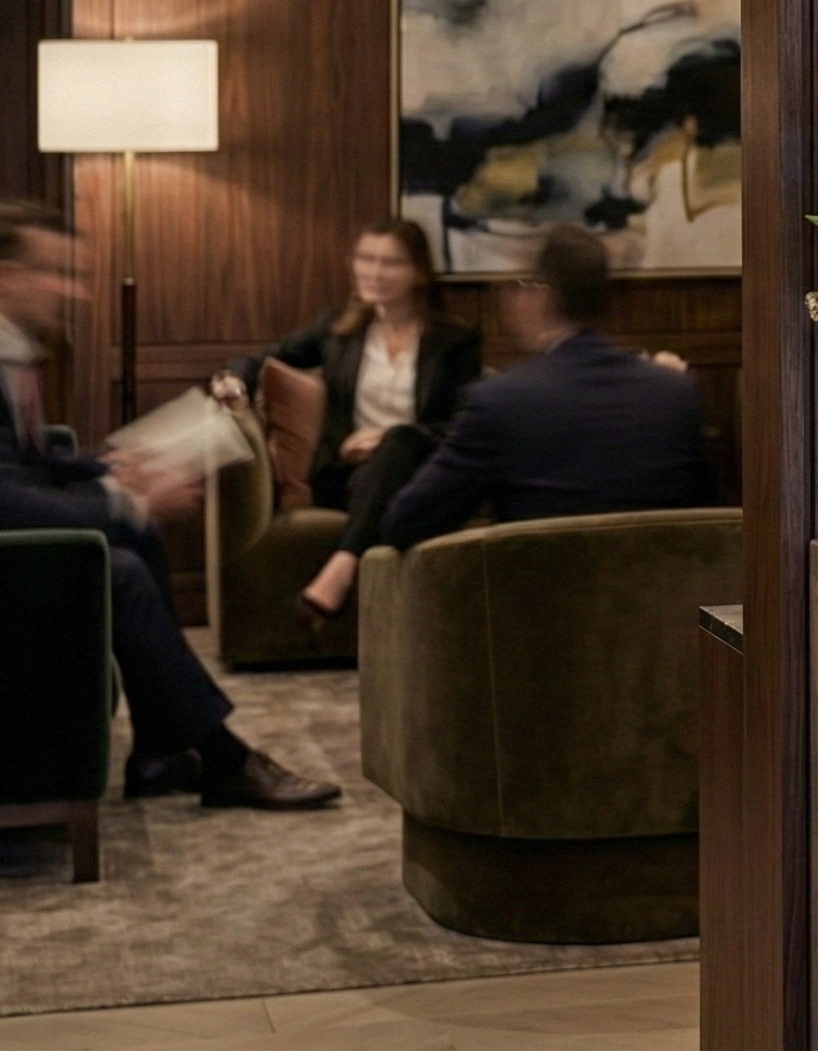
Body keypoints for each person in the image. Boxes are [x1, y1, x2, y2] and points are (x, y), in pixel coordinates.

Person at [0, 203, 339, 809]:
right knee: (122, 568)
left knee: (138, 535)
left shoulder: (11, 349)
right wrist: (122, 498)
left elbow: (26, 465)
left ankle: (160, 751)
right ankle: (223, 757)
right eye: (54, 272)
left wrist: (104, 468)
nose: (71, 290)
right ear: (6, 274)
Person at [379, 226, 716, 549]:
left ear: (542, 297)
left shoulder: (499, 401)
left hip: (541, 603)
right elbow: (714, 520)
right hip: (659, 602)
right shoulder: (675, 394)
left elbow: (406, 522)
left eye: (518, 285)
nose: (509, 300)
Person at [211, 218, 481, 620]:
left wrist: (390, 435)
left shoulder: (454, 341)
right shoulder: (338, 330)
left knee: (401, 442)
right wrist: (231, 379)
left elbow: (466, 423)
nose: (375, 272)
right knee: (395, 452)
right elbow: (263, 359)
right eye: (366, 259)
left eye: (391, 262)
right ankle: (356, 570)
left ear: (418, 271)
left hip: (421, 472)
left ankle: (343, 564)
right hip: (346, 477)